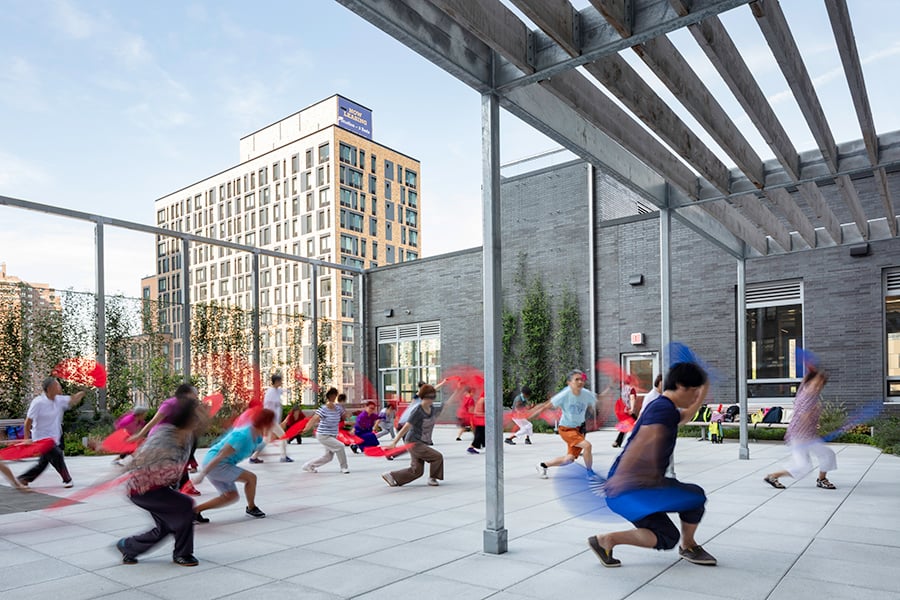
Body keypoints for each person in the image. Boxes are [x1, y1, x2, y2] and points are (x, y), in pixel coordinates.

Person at [589, 362, 715, 568]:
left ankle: (605, 541)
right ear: (681, 386)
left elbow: (685, 416)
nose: (695, 396)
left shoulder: (665, 407)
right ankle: (688, 546)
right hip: (631, 489)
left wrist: (702, 392)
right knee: (695, 497)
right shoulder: (662, 409)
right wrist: (620, 480)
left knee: (667, 535)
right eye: (693, 391)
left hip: (634, 487)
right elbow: (642, 440)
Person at [116, 392, 200, 566]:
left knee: (167, 525)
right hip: (143, 489)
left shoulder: (187, 436)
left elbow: (180, 465)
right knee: (185, 506)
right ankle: (182, 554)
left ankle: (128, 546)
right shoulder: (165, 436)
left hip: (158, 487)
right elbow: (142, 456)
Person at [192, 408, 275, 523]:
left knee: (231, 496)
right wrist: (202, 474)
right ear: (266, 423)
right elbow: (220, 454)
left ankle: (194, 512)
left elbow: (259, 447)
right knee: (251, 478)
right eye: (272, 422)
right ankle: (251, 508)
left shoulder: (257, 435)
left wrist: (270, 463)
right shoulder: (242, 436)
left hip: (222, 464)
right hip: (216, 464)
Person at [764, 366, 836, 490]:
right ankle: (773, 476)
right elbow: (804, 415)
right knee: (804, 467)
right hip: (799, 437)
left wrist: (814, 422)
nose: (819, 386)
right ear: (810, 382)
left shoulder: (808, 392)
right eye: (817, 382)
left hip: (808, 436)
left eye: (821, 384)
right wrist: (810, 418)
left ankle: (822, 479)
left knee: (828, 455)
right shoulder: (807, 395)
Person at [382, 381, 458, 488]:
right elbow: (407, 426)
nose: (431, 400)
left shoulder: (432, 409)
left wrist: (458, 391)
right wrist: (394, 442)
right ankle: (433, 478)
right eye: (428, 397)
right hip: (413, 442)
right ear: (422, 397)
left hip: (421, 441)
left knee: (417, 471)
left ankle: (392, 476)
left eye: (432, 397)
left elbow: (447, 404)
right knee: (437, 457)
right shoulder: (417, 411)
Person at [130, 384, 201, 495]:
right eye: (194, 394)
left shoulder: (189, 406)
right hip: (162, 438)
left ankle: (181, 487)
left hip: (176, 439)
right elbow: (154, 421)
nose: (196, 397)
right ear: (186, 394)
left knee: (179, 463)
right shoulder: (170, 404)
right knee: (163, 465)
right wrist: (140, 435)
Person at [17, 377, 86, 488]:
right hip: (41, 438)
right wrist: (26, 438)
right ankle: (67, 479)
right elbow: (28, 421)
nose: (60, 387)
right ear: (50, 388)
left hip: (54, 437)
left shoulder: (59, 400)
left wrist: (82, 392)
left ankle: (24, 478)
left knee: (43, 463)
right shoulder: (38, 402)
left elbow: (73, 400)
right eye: (57, 385)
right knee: (57, 454)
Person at [535, 370, 602, 479]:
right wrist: (533, 412)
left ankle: (543, 465)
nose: (580, 382)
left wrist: (609, 390)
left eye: (582, 379)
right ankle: (590, 473)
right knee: (587, 445)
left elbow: (598, 399)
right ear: (569, 382)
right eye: (577, 379)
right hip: (567, 429)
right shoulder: (565, 394)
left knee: (569, 459)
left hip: (580, 428)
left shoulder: (586, 393)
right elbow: (547, 405)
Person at [300, 387, 350, 474]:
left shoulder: (338, 408)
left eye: (335, 396)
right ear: (328, 397)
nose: (333, 398)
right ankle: (344, 467)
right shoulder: (323, 409)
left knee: (328, 457)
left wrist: (345, 410)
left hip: (333, 435)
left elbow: (345, 417)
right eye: (332, 396)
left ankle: (308, 466)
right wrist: (306, 428)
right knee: (340, 446)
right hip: (323, 435)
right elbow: (314, 419)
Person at [249, 374, 292, 463]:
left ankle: (253, 457)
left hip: (272, 420)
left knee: (266, 440)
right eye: (280, 381)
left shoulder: (276, 390)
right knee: (284, 437)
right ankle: (283, 457)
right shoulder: (271, 393)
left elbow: (283, 391)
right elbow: (268, 407)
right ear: (276, 382)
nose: (281, 382)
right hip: (271, 421)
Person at [612, 379, 638, 448]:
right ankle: (637, 441)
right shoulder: (631, 389)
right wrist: (632, 408)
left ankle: (617, 442)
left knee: (626, 426)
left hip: (624, 410)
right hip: (629, 411)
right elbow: (632, 398)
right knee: (638, 424)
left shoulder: (624, 389)